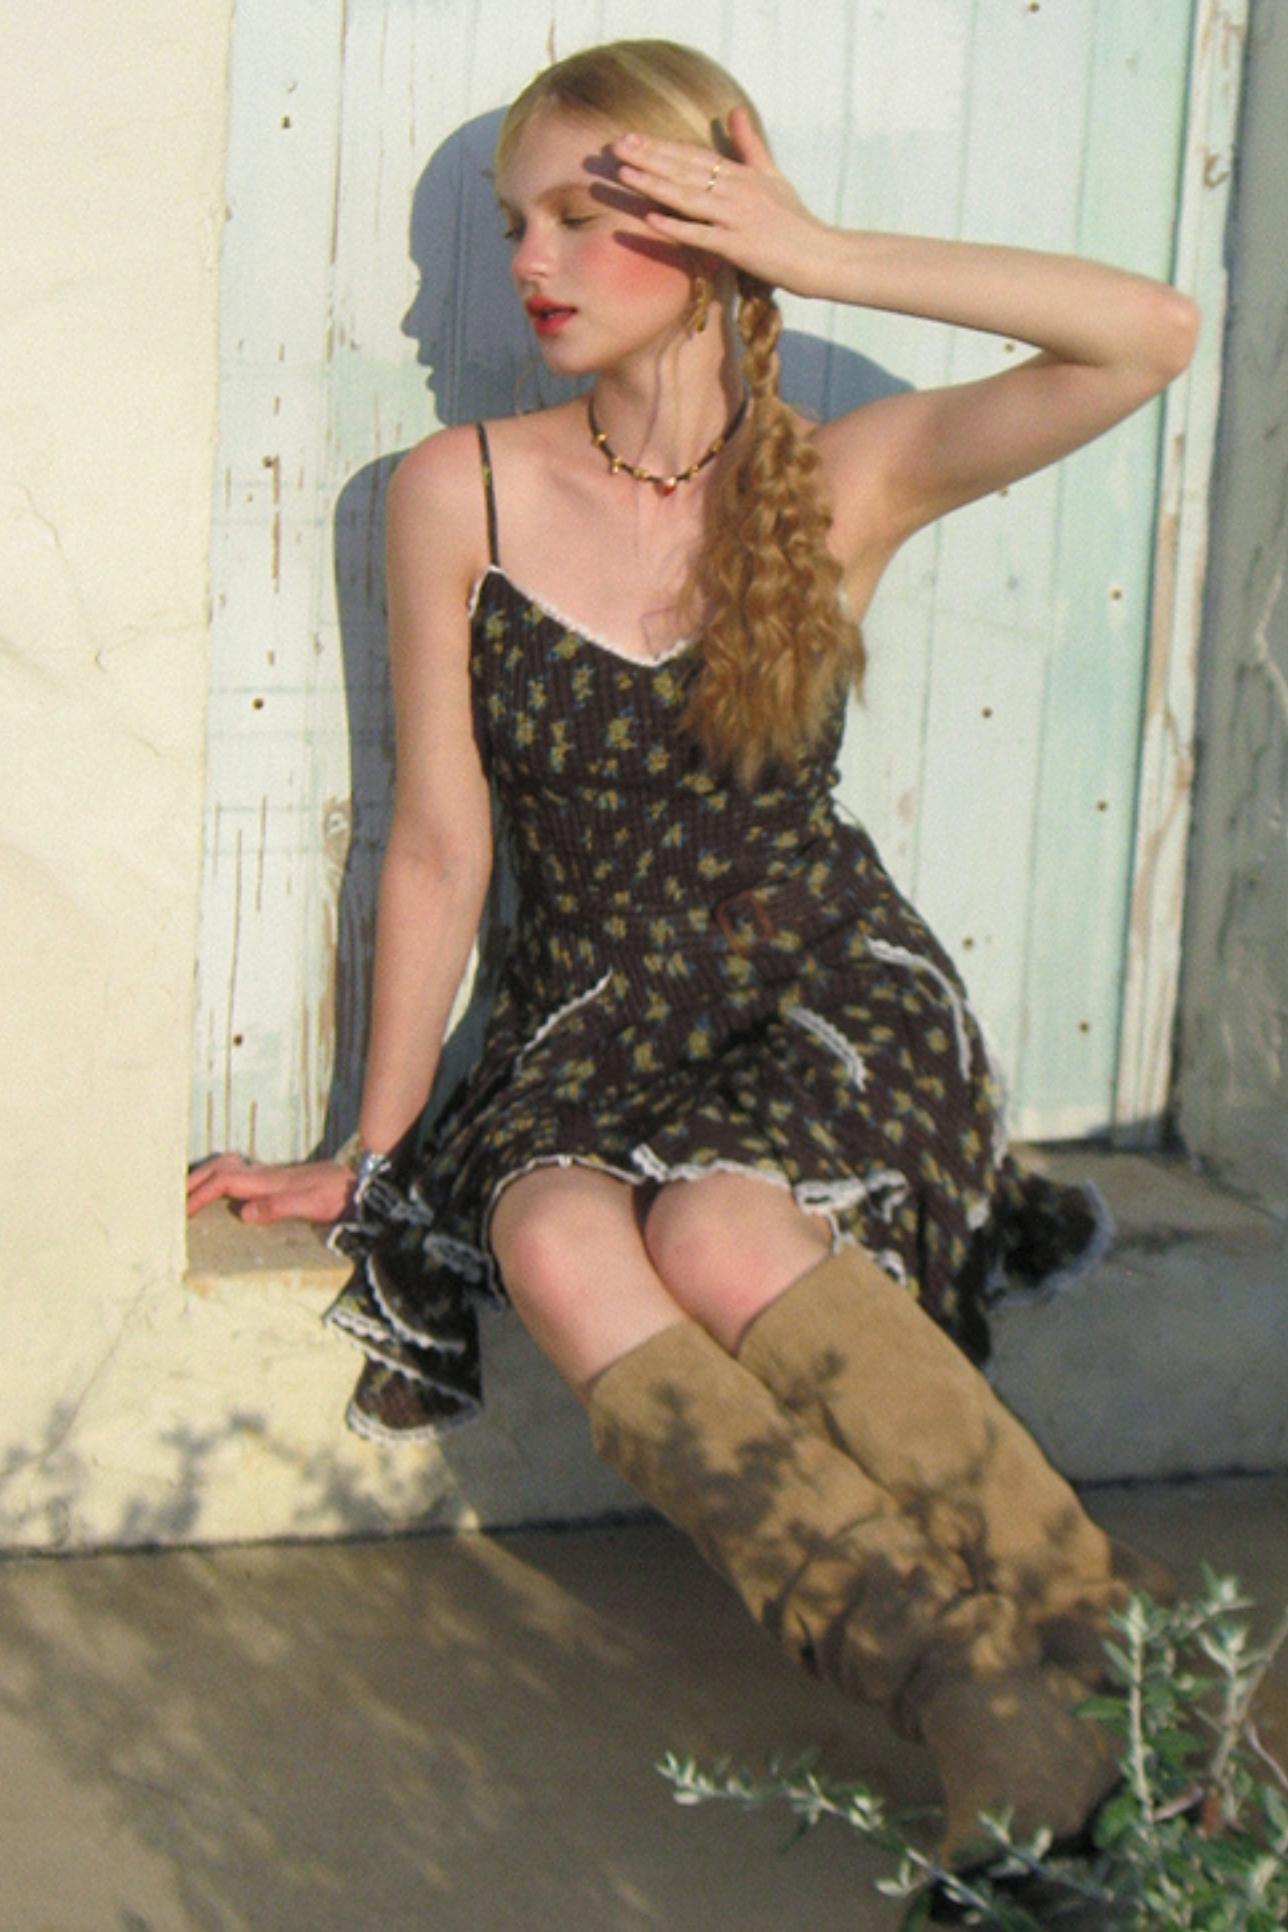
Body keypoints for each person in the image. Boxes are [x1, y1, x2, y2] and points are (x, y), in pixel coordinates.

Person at [188, 38, 1198, 1873]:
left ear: (710, 228)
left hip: (828, 992)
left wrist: (824, 255)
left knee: (722, 1230)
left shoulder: (839, 477)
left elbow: (1147, 336)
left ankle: (1129, 1650)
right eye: (515, 223)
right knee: (552, 1235)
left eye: (588, 215)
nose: (527, 262)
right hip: (588, 1017)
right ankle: (983, 1702)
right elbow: (442, 841)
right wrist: (373, 1145)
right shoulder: (458, 489)